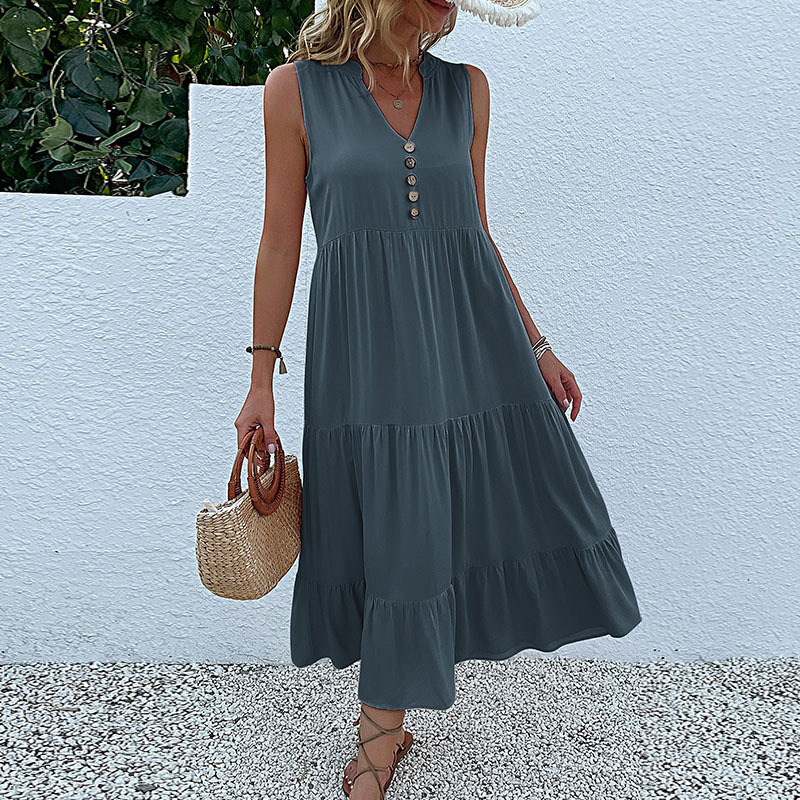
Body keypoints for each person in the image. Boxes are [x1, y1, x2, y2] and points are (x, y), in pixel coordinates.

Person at [235, 0, 642, 796]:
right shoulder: (294, 90)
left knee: (475, 510)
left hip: (467, 342)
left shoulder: (468, 89)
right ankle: (382, 732)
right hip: (365, 355)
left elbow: (476, 232)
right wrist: (259, 379)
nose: (450, 4)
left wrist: (538, 346)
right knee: (398, 519)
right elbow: (280, 239)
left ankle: (381, 729)